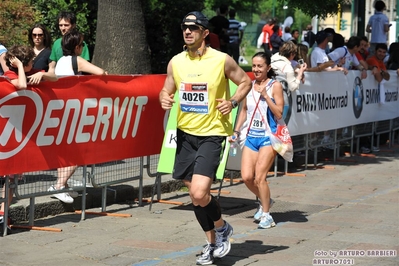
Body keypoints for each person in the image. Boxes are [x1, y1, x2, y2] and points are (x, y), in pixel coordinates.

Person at [158, 11, 252, 265]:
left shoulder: (221, 60)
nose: (187, 31)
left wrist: (232, 102)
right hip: (185, 136)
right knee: (195, 197)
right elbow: (166, 90)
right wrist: (164, 98)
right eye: (184, 27)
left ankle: (222, 228)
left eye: (193, 28)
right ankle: (212, 244)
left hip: (212, 134)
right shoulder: (176, 62)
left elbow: (245, 82)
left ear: (204, 33)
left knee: (200, 193)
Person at [50, 29, 107, 203]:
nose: (83, 47)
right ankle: (59, 185)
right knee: (79, 152)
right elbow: (101, 73)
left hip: (62, 108)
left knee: (66, 151)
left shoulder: (60, 61)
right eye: (81, 44)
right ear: (76, 47)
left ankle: (62, 184)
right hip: (74, 110)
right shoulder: (77, 60)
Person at [230, 51, 283, 229]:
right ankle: (266, 199)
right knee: (246, 177)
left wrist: (266, 96)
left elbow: (279, 113)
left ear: (268, 67)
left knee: (260, 177)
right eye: (254, 66)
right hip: (251, 136)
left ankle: (267, 215)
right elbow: (243, 111)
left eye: (260, 66)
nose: (256, 69)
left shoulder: (275, 86)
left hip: (268, 136)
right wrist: (236, 132)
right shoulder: (249, 85)